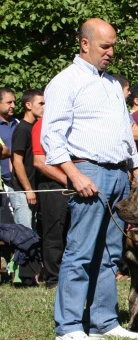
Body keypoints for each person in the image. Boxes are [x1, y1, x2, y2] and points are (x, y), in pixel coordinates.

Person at [42, 18, 138, 340]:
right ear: (84, 44)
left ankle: (103, 321)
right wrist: (74, 174)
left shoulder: (113, 84)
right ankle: (68, 327)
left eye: (113, 46)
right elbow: (51, 137)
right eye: (105, 46)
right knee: (81, 251)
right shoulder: (65, 82)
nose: (111, 52)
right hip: (89, 171)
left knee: (111, 254)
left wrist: (135, 169)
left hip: (119, 174)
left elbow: (124, 130)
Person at [32, 108, 69, 289]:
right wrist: (67, 180)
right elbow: (39, 162)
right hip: (53, 185)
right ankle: (53, 279)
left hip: (74, 185)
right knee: (54, 234)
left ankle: (70, 276)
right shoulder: (42, 125)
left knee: (72, 233)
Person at [10, 89, 44, 228]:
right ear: (28, 105)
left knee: (34, 232)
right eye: (41, 103)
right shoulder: (22, 129)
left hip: (34, 189)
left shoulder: (35, 127)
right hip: (23, 191)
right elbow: (17, 161)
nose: (44, 107)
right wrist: (28, 189)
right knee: (25, 235)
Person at [0, 87, 19, 222]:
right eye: (9, 102)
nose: (13, 106)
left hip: (18, 182)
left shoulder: (17, 123)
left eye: (14, 102)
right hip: (2, 182)